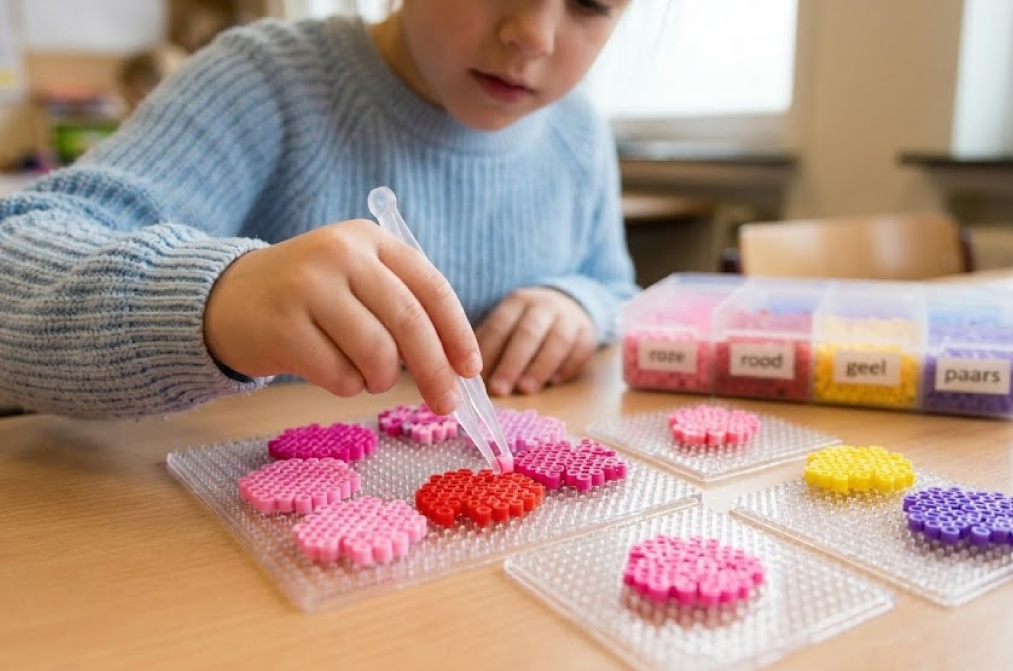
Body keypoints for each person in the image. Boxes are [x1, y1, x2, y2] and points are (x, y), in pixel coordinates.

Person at [0, 0, 637, 421]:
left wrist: (578, 302)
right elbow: (15, 257)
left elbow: (616, 287)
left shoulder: (578, 132)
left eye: (591, 0)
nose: (533, 34)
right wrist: (218, 300)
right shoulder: (264, 81)